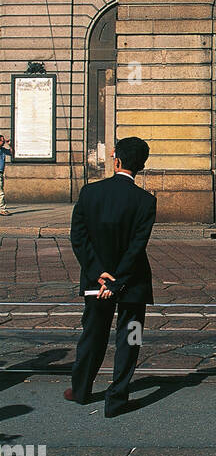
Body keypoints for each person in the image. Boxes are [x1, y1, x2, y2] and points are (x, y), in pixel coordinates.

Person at [66, 136, 156, 417]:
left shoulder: (90, 193)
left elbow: (78, 237)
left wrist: (98, 275)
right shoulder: (146, 201)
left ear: (116, 159)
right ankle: (116, 399)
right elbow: (136, 246)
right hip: (132, 284)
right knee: (130, 338)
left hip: (97, 283)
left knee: (92, 335)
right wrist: (117, 280)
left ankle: (81, 390)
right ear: (141, 165)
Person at [0, 134, 12, 215]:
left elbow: (12, 153)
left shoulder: (3, 150)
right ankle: (2, 209)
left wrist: (10, 145)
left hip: (0, 172)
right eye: (2, 140)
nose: (3, 142)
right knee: (0, 192)